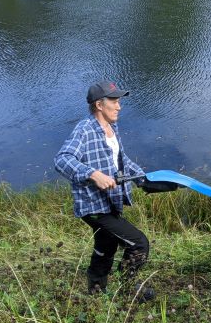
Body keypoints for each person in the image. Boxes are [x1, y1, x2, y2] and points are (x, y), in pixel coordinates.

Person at [54, 80, 152, 298]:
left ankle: (96, 292)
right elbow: (62, 160)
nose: (119, 106)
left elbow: (120, 160)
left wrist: (141, 178)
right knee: (138, 243)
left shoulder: (112, 127)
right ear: (99, 105)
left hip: (112, 200)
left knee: (105, 246)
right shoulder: (85, 129)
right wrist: (92, 174)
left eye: (119, 101)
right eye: (114, 101)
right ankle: (127, 289)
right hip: (94, 205)